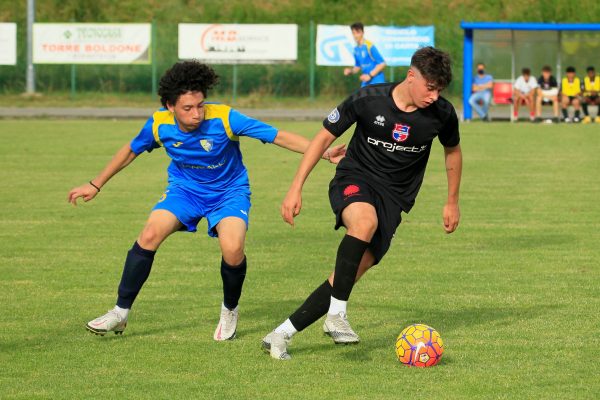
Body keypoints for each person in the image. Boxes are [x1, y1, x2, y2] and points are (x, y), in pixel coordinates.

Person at [68, 61, 346, 340]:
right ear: (170, 106)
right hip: (184, 191)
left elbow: (277, 136)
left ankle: (230, 309)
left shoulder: (224, 118)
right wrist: (96, 184)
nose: (197, 113)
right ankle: (120, 313)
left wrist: (323, 152)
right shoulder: (159, 123)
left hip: (229, 192)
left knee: (233, 247)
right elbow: (131, 150)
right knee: (150, 233)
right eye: (188, 108)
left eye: (200, 105)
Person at [261, 46, 462, 360]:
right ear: (412, 76)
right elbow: (323, 138)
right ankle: (338, 314)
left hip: (394, 200)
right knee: (364, 222)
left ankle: (281, 334)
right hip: (355, 178)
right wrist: (295, 187)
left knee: (346, 275)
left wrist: (452, 201)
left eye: (440, 90)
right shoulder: (368, 99)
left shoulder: (442, 113)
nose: (434, 96)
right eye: (430, 87)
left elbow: (453, 152)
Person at [343, 22, 386, 87]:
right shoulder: (355, 49)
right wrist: (350, 71)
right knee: (360, 97)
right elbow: (357, 66)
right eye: (353, 33)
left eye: (357, 33)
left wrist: (370, 75)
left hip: (377, 81)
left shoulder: (369, 46)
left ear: (362, 32)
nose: (355, 36)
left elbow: (382, 64)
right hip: (366, 81)